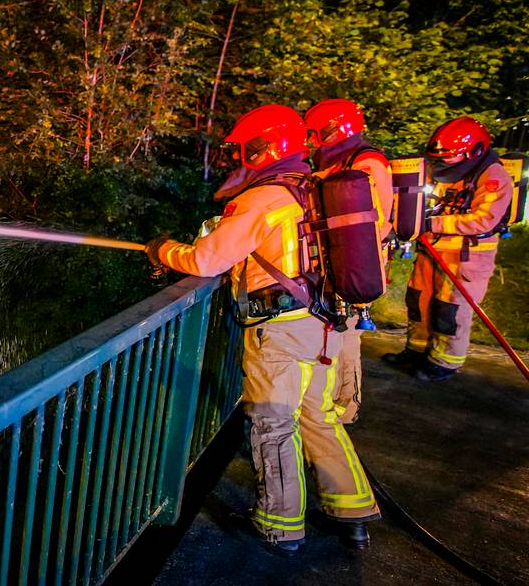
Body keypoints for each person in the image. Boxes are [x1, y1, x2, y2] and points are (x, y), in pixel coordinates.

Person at [147, 104, 379, 553]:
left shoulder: (263, 198)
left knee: (273, 424)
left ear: (263, 147)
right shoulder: (311, 187)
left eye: (243, 150)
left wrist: (163, 250)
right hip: (325, 323)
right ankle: (352, 513)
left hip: (281, 331)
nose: (238, 159)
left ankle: (279, 526)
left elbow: (206, 259)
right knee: (320, 417)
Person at [383, 116, 513, 381]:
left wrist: (433, 222)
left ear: (474, 152)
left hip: (466, 258)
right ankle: (416, 350)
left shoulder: (493, 177)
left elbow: (484, 219)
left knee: (449, 310)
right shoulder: (447, 171)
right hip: (430, 251)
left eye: (451, 157)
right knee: (418, 301)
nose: (443, 162)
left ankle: (445, 361)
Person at [303, 99, 393, 424]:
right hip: (335, 261)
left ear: (335, 129)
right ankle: (329, 403)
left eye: (317, 133)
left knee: (348, 338)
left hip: (355, 263)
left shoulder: (367, 162)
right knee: (334, 335)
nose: (313, 141)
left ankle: (346, 408)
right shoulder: (335, 159)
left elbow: (375, 221)